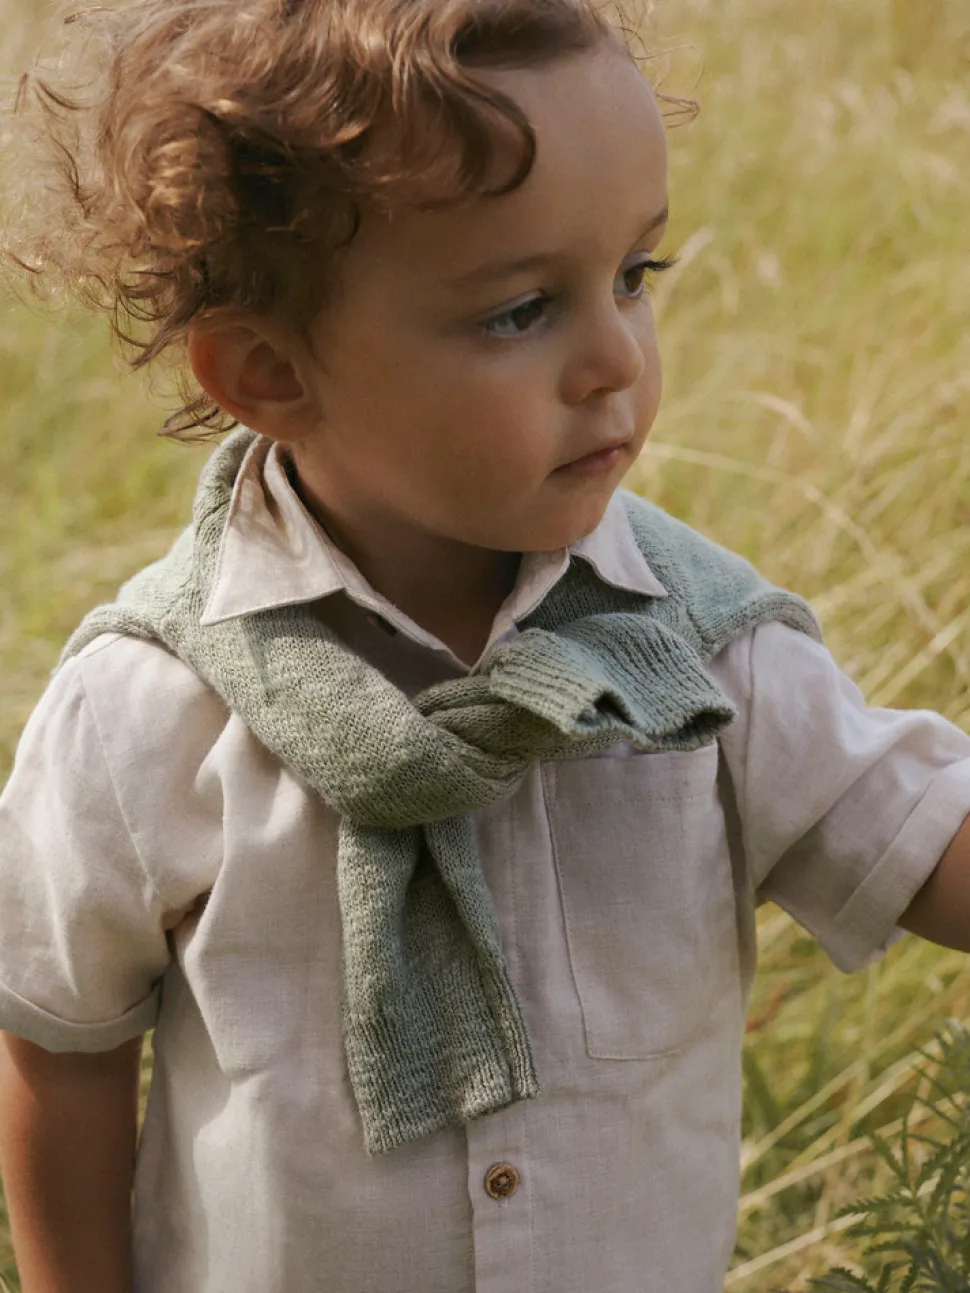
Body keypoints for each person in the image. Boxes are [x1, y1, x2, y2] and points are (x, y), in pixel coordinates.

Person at [0, 1, 968, 1290]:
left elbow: (915, 835)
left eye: (635, 276)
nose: (616, 356)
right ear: (270, 373)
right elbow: (59, 1043)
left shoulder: (700, 654)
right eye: (521, 311)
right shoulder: (149, 708)